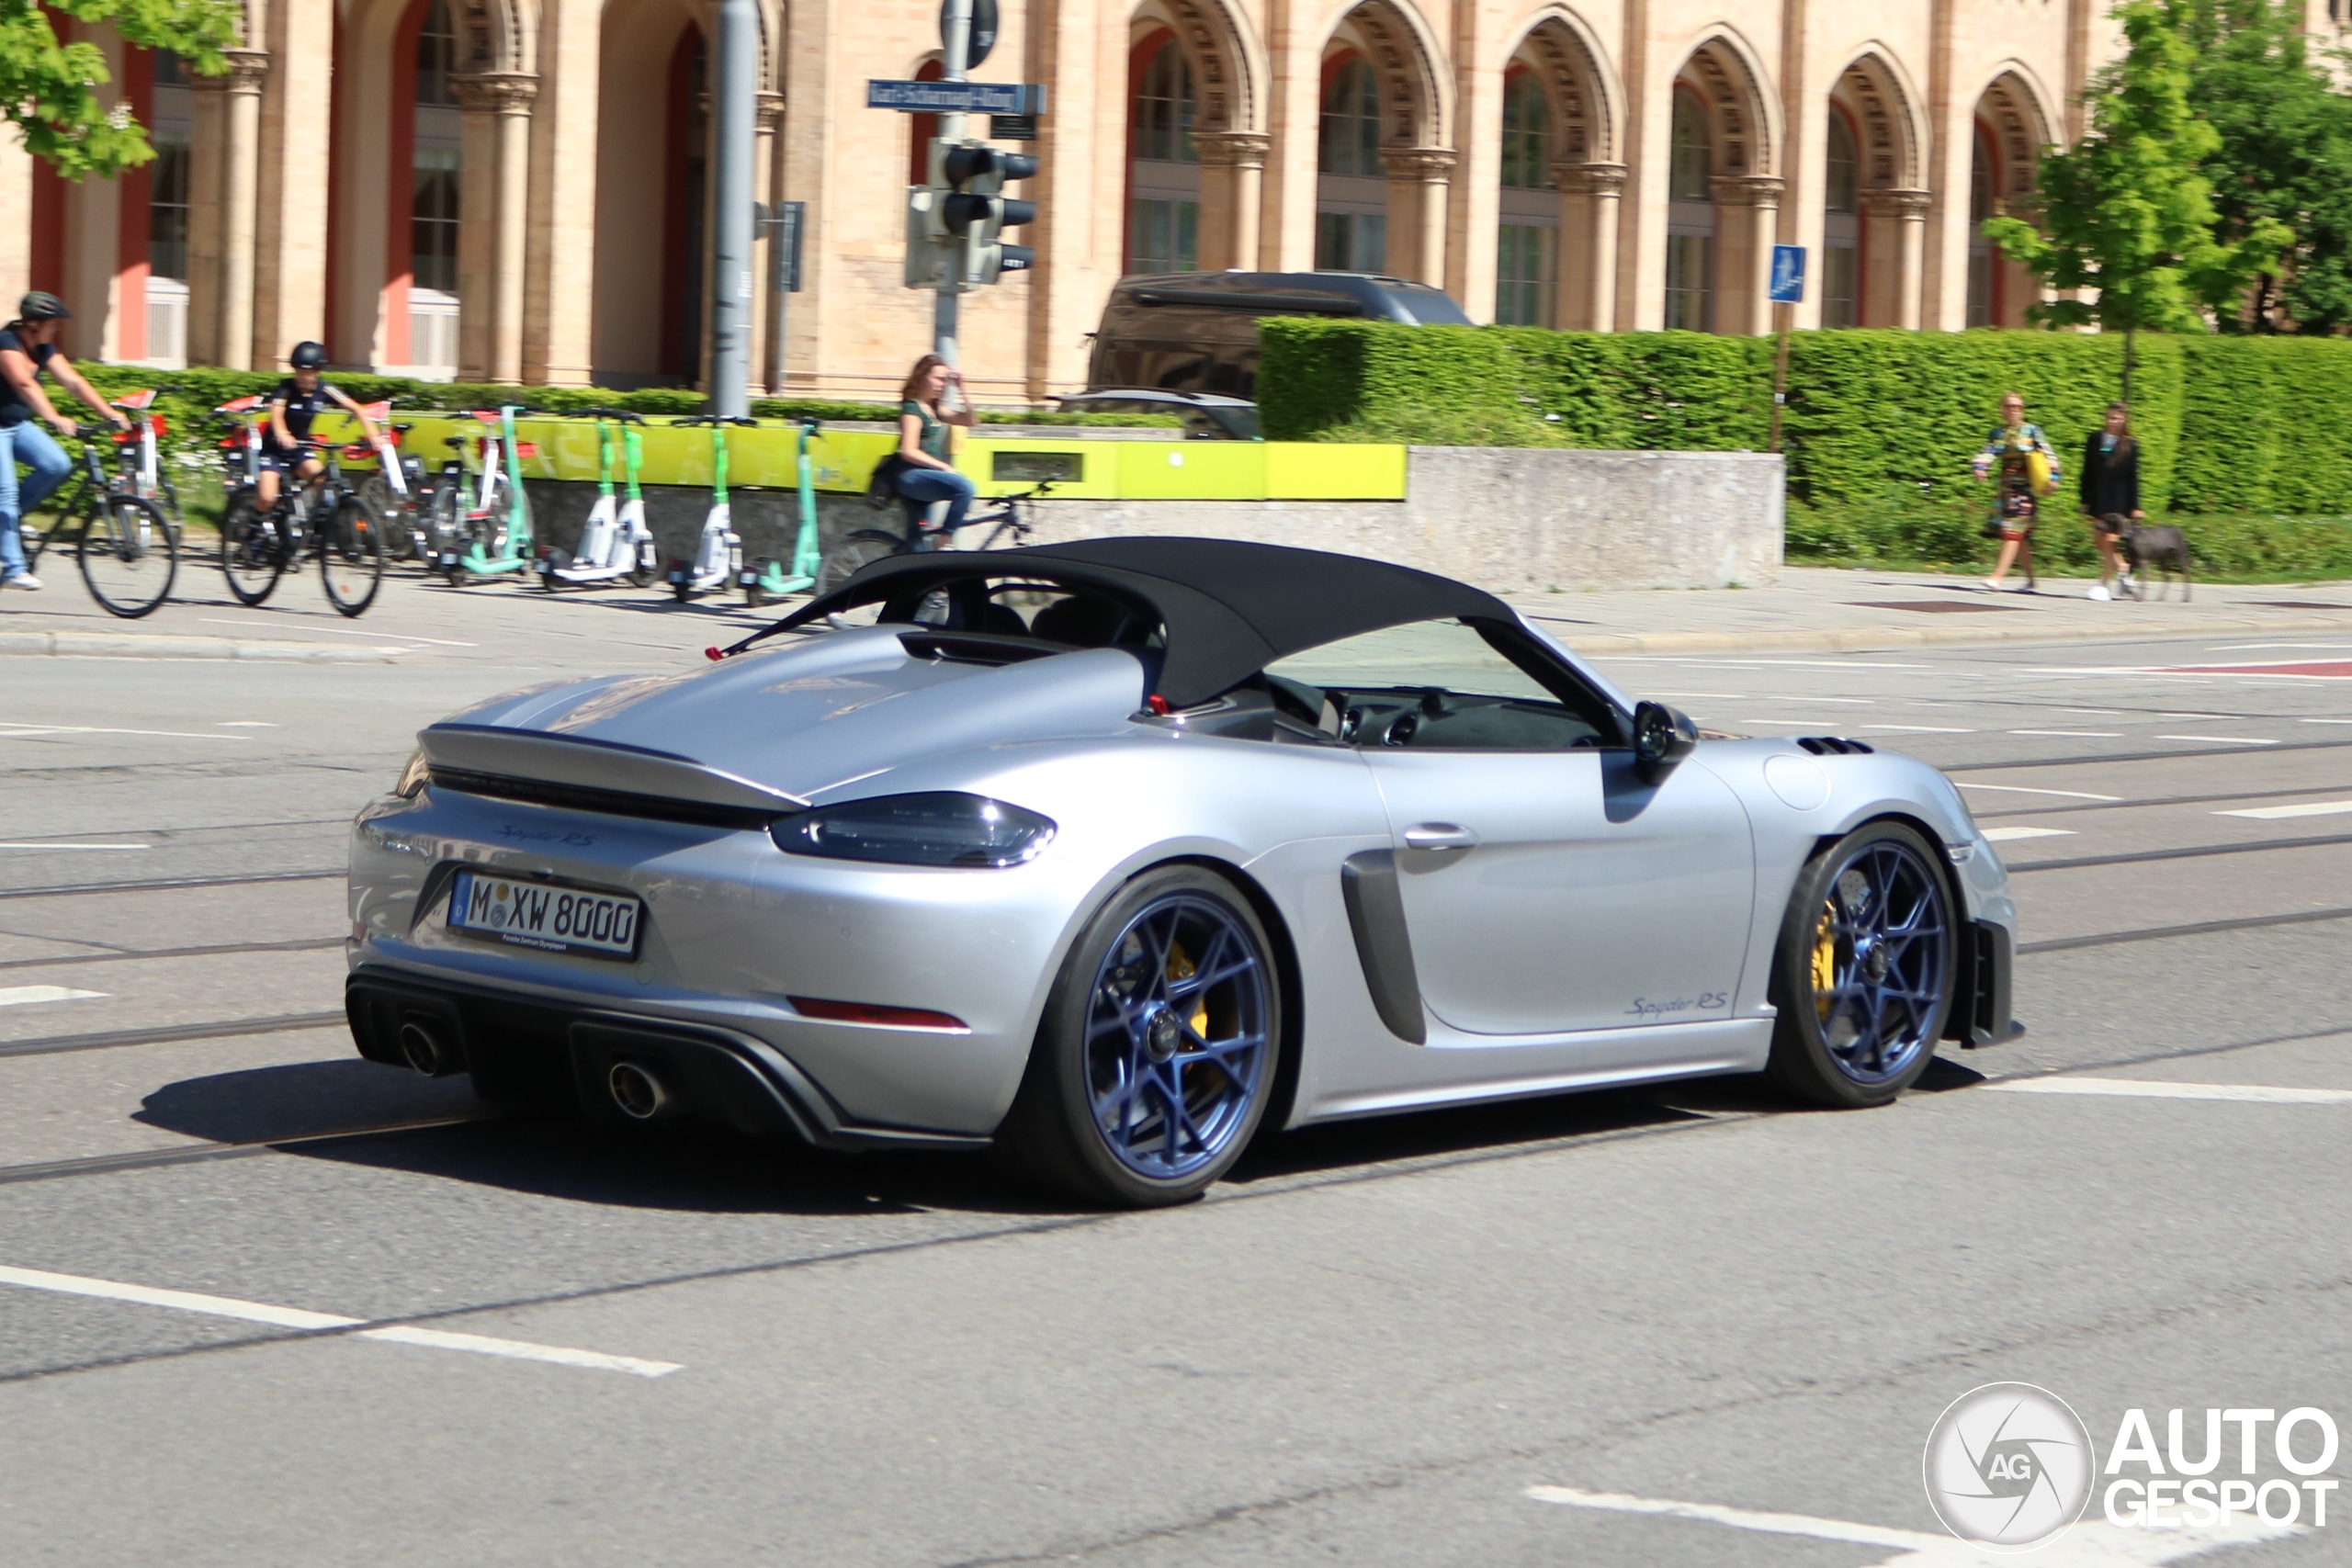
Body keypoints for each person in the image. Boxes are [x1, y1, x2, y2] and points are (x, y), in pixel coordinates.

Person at [0, 291, 130, 591]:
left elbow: (73, 382)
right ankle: (12, 568)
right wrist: (53, 416)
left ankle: (7, 523)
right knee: (4, 492)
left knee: (56, 463)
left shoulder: (44, 349)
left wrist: (110, 413)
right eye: (52, 323)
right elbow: (23, 382)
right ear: (33, 323)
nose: (56, 329)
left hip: (17, 424)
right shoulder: (7, 342)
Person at [255, 341, 383, 518]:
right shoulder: (286, 387)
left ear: (317, 372)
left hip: (300, 448)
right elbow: (276, 412)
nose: (302, 377)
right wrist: (282, 434)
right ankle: (254, 528)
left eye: (307, 373)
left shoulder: (325, 390)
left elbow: (357, 409)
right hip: (274, 450)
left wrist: (374, 435)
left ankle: (305, 515)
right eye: (299, 372)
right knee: (267, 498)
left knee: (321, 479)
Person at [1971, 390, 2061, 593]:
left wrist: (2054, 478)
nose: (2014, 410)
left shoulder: (2032, 431)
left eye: (2018, 406)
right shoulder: (1998, 433)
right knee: (2020, 536)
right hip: (2006, 487)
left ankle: (1997, 577)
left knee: (2013, 529)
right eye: (2009, 406)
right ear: (2002, 409)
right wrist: (1979, 467)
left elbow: (2048, 453)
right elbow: (1988, 452)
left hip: (2026, 487)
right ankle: (2030, 582)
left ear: (2023, 410)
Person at [895, 354, 977, 547]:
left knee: (917, 543)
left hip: (925, 476)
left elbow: (970, 420)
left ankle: (907, 571)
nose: (942, 384)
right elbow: (908, 451)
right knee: (965, 487)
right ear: (922, 377)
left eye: (945, 381)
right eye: (938, 378)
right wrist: (943, 467)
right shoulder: (912, 409)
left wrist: (962, 389)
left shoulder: (935, 408)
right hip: (910, 476)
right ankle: (946, 537)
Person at [2078, 401, 2141, 602]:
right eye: (2110, 417)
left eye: (2118, 418)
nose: (2113, 421)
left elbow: (2132, 477)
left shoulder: (2130, 444)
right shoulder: (2095, 439)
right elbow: (2087, 471)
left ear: (2124, 421)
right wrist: (2085, 498)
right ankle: (2124, 569)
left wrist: (2135, 506)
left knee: (2109, 541)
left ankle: (2103, 585)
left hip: (2118, 500)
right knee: (2099, 540)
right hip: (2098, 497)